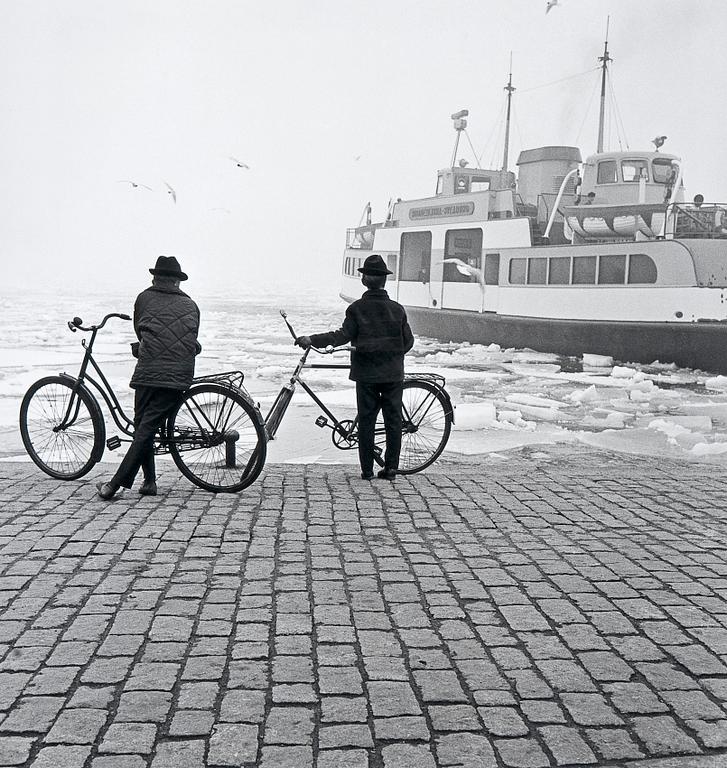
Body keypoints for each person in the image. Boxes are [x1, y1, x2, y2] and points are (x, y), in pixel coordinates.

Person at [296, 254, 414, 480]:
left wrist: (312, 339)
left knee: (367, 420)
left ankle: (367, 471)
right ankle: (390, 469)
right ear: (384, 280)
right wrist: (392, 356)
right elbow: (408, 342)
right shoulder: (397, 309)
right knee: (393, 421)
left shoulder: (356, 309)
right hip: (392, 374)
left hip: (366, 375)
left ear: (363, 280)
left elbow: (341, 336)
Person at [97, 256, 201, 500]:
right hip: (178, 374)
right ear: (177, 281)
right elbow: (191, 335)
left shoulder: (143, 298)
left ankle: (115, 483)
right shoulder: (191, 304)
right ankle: (149, 481)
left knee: (143, 426)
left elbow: (139, 329)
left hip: (147, 372)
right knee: (145, 426)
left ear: (156, 277)